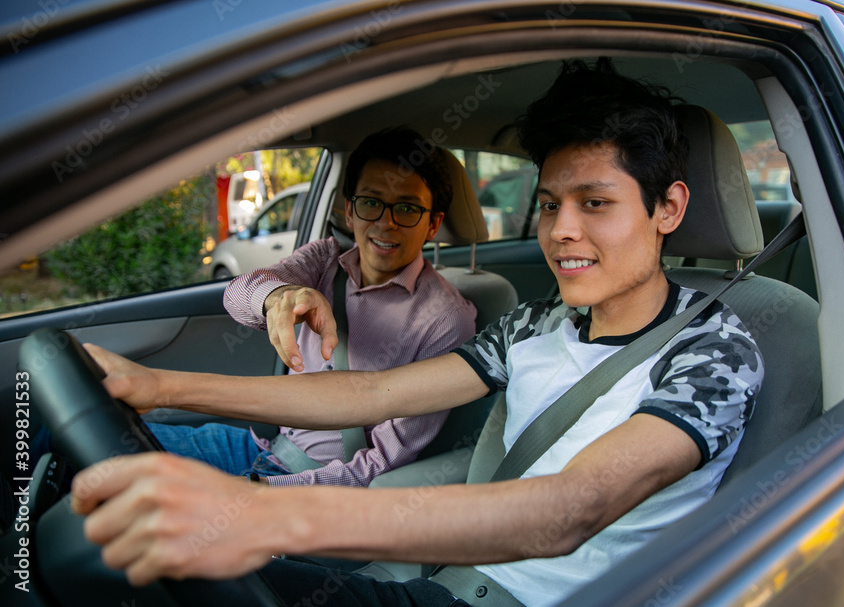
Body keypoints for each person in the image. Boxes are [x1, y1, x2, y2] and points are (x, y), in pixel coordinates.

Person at [73, 59, 764, 607]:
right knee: (132, 575)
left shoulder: (714, 349)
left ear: (668, 207)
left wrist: (262, 512)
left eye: (597, 203)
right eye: (551, 204)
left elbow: (571, 508)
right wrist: (158, 385)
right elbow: (370, 393)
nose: (562, 231)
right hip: (453, 585)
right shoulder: (536, 322)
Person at [146, 127, 477, 486]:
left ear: (433, 224)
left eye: (408, 208)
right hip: (260, 447)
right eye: (370, 202)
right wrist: (277, 297)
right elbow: (237, 293)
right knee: (120, 443)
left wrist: (263, 490)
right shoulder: (325, 259)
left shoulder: (446, 320)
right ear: (349, 212)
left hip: (311, 483)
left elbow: (379, 467)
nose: (386, 222)